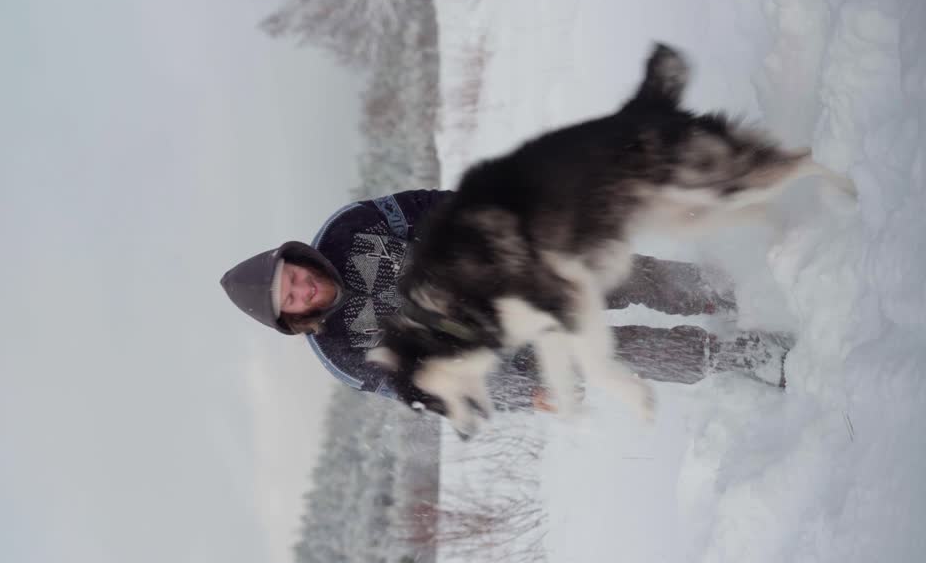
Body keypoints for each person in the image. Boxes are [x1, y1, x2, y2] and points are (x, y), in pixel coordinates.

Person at [220, 189, 788, 412]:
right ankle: (739, 357)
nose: (300, 289)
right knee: (617, 354)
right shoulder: (343, 352)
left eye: (290, 277)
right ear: (290, 318)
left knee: (621, 276)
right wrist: (522, 394)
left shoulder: (348, 230)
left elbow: (429, 208)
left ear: (294, 260)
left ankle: (725, 291)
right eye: (289, 299)